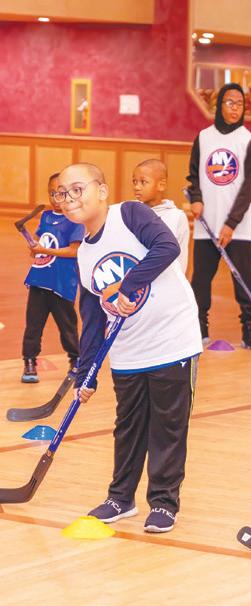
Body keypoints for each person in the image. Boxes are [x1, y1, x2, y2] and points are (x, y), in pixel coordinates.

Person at [58, 162, 202, 533]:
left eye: (77, 189)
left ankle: (164, 502)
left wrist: (127, 284)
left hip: (172, 339)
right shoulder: (84, 255)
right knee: (128, 427)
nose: (69, 198)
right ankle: (120, 498)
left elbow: (166, 247)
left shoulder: (130, 215)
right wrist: (86, 373)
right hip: (128, 350)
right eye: (62, 193)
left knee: (168, 427)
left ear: (102, 190)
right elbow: (93, 319)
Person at [185, 82, 251, 349]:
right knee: (200, 280)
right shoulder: (203, 137)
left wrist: (231, 223)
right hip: (207, 225)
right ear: (219, 105)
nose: (235, 108)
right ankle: (199, 328)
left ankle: (249, 331)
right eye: (230, 102)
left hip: (238, 228)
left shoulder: (248, 140)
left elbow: (249, 187)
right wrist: (196, 199)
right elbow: (193, 175)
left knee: (243, 281)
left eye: (240, 104)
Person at [20, 171, 84, 382]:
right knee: (33, 325)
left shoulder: (75, 220)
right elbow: (41, 242)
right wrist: (35, 248)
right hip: (40, 280)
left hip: (62, 283)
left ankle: (76, 360)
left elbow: (74, 250)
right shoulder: (46, 216)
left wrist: (46, 251)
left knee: (67, 326)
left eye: (61, 193)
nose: (56, 198)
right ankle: (29, 361)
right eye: (52, 193)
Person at [133, 158, 190, 273]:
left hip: (166, 280)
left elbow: (181, 258)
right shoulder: (130, 212)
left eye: (143, 182)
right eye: (134, 181)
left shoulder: (177, 217)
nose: (137, 187)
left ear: (161, 185)